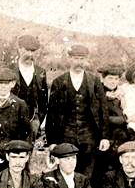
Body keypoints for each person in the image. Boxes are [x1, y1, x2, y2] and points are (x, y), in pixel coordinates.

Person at [45, 44, 110, 177]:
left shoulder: (94, 81)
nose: (79, 62)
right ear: (69, 59)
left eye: (82, 59)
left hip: (89, 136)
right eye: (76, 58)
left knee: (88, 173)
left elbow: (103, 110)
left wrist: (104, 137)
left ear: (86, 60)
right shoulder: (59, 81)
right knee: (66, 171)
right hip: (66, 135)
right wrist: (52, 141)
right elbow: (52, 113)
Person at [92, 64, 135, 188]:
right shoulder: (98, 94)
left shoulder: (121, 95)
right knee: (102, 173)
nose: (113, 82)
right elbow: (99, 117)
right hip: (105, 139)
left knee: (120, 172)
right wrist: (125, 119)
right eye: (110, 78)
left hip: (121, 139)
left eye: (116, 79)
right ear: (103, 78)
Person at [0, 34, 48, 141]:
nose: (30, 54)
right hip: (8, 122)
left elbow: (43, 101)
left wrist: (37, 120)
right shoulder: (7, 70)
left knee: (25, 155)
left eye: (33, 51)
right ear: (20, 49)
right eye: (27, 50)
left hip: (31, 122)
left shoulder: (40, 72)